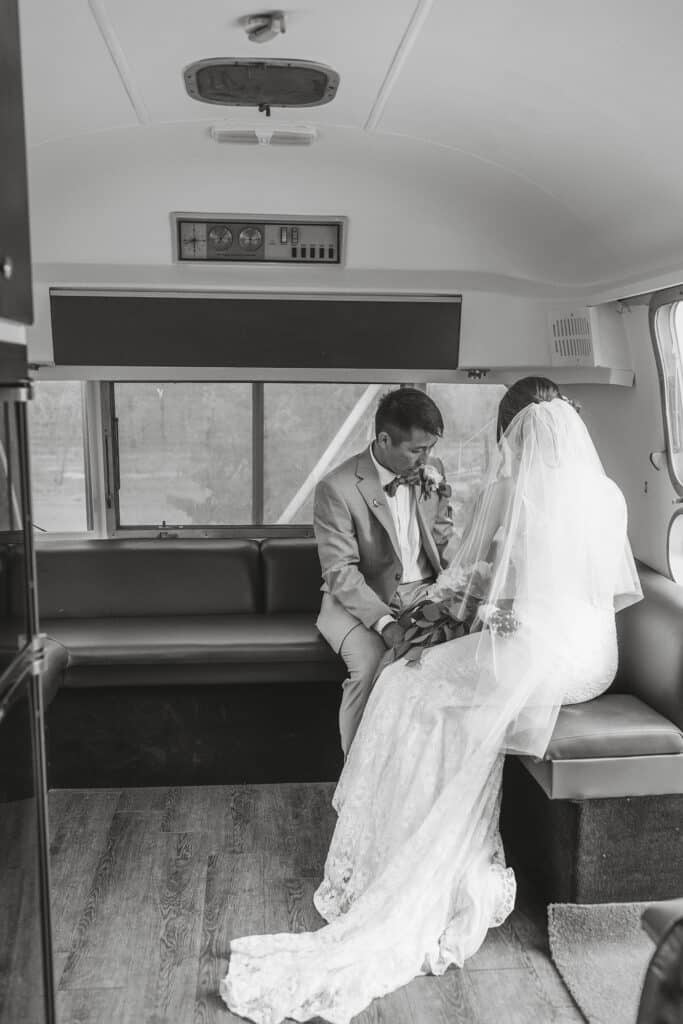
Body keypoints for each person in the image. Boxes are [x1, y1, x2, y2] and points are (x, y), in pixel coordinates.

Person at [220, 377, 643, 1024]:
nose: (425, 461)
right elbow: (593, 591)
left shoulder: (509, 493)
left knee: (408, 687)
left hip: (530, 644)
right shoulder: (607, 492)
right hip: (591, 657)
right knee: (391, 675)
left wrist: (464, 616)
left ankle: (392, 831)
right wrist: (432, 616)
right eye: (414, 450)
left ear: (511, 434)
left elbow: (499, 600)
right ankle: (382, 810)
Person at [312, 387, 454, 756]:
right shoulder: (337, 488)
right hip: (359, 599)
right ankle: (358, 776)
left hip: (425, 592)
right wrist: (384, 623)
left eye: (430, 448)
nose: (427, 458)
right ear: (384, 439)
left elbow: (440, 540)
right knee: (371, 666)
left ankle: (421, 766)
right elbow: (340, 571)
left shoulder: (431, 470)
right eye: (417, 450)